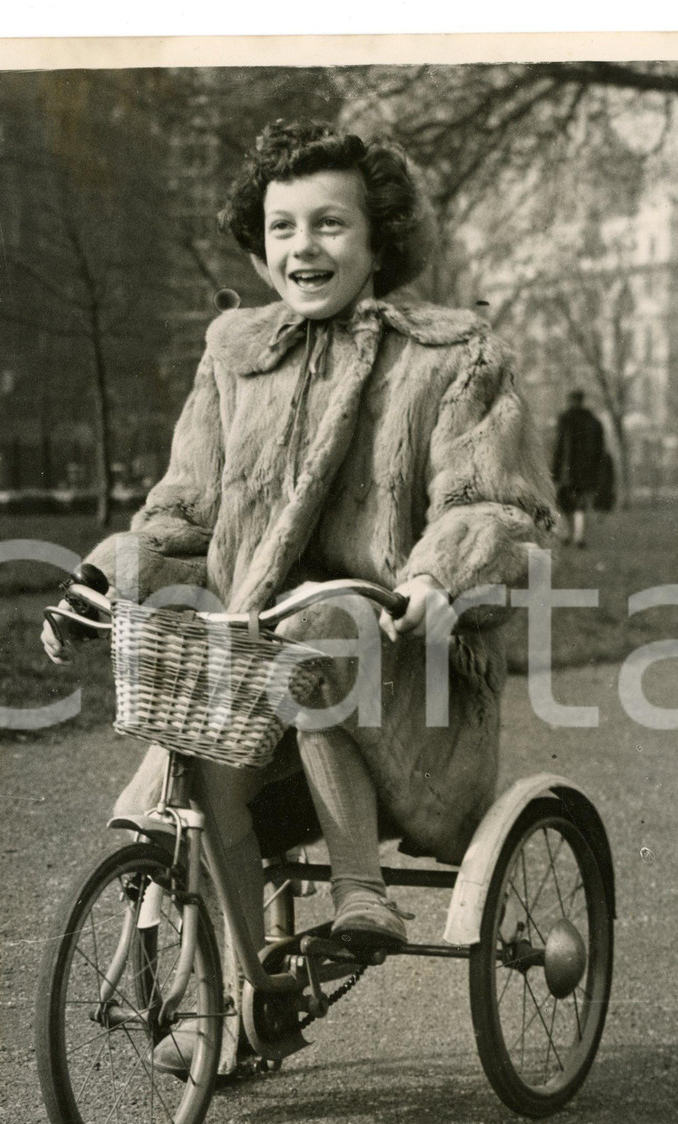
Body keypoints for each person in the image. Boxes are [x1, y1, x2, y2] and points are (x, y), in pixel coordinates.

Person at [41, 119, 556, 963]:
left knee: (321, 631)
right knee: (198, 755)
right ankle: (245, 994)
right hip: (258, 689)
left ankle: (363, 891)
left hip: (407, 689)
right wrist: (101, 576)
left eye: (329, 223)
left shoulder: (450, 356)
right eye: (283, 227)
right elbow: (183, 516)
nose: (302, 247)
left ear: (378, 239)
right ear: (260, 245)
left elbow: (495, 510)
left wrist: (437, 581)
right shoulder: (236, 355)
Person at [551, 390, 605, 548]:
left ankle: (569, 534)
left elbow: (560, 447)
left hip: (568, 470)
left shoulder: (565, 419)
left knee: (564, 502)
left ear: (571, 400)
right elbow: (600, 450)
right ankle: (578, 536)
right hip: (588, 471)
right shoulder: (594, 421)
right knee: (581, 503)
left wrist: (556, 471)